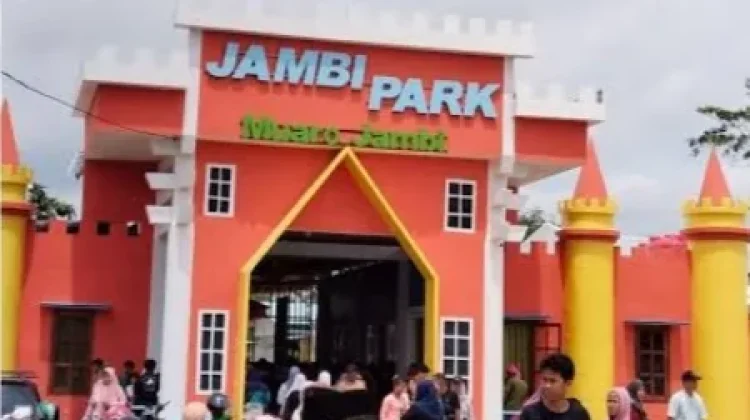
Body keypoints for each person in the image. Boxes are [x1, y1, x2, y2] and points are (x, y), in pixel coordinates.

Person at [519, 353, 591, 420]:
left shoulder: (579, 414)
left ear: (568, 383)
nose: (547, 386)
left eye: (552, 381)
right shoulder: (530, 414)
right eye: (544, 380)